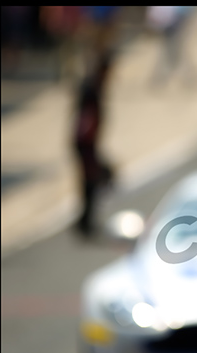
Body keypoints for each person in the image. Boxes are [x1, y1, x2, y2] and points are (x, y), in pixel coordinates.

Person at [72, 50, 115, 237]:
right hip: (85, 142)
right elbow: (85, 118)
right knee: (91, 180)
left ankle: (86, 220)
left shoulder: (93, 86)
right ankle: (85, 222)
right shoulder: (91, 88)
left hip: (88, 141)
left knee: (91, 180)